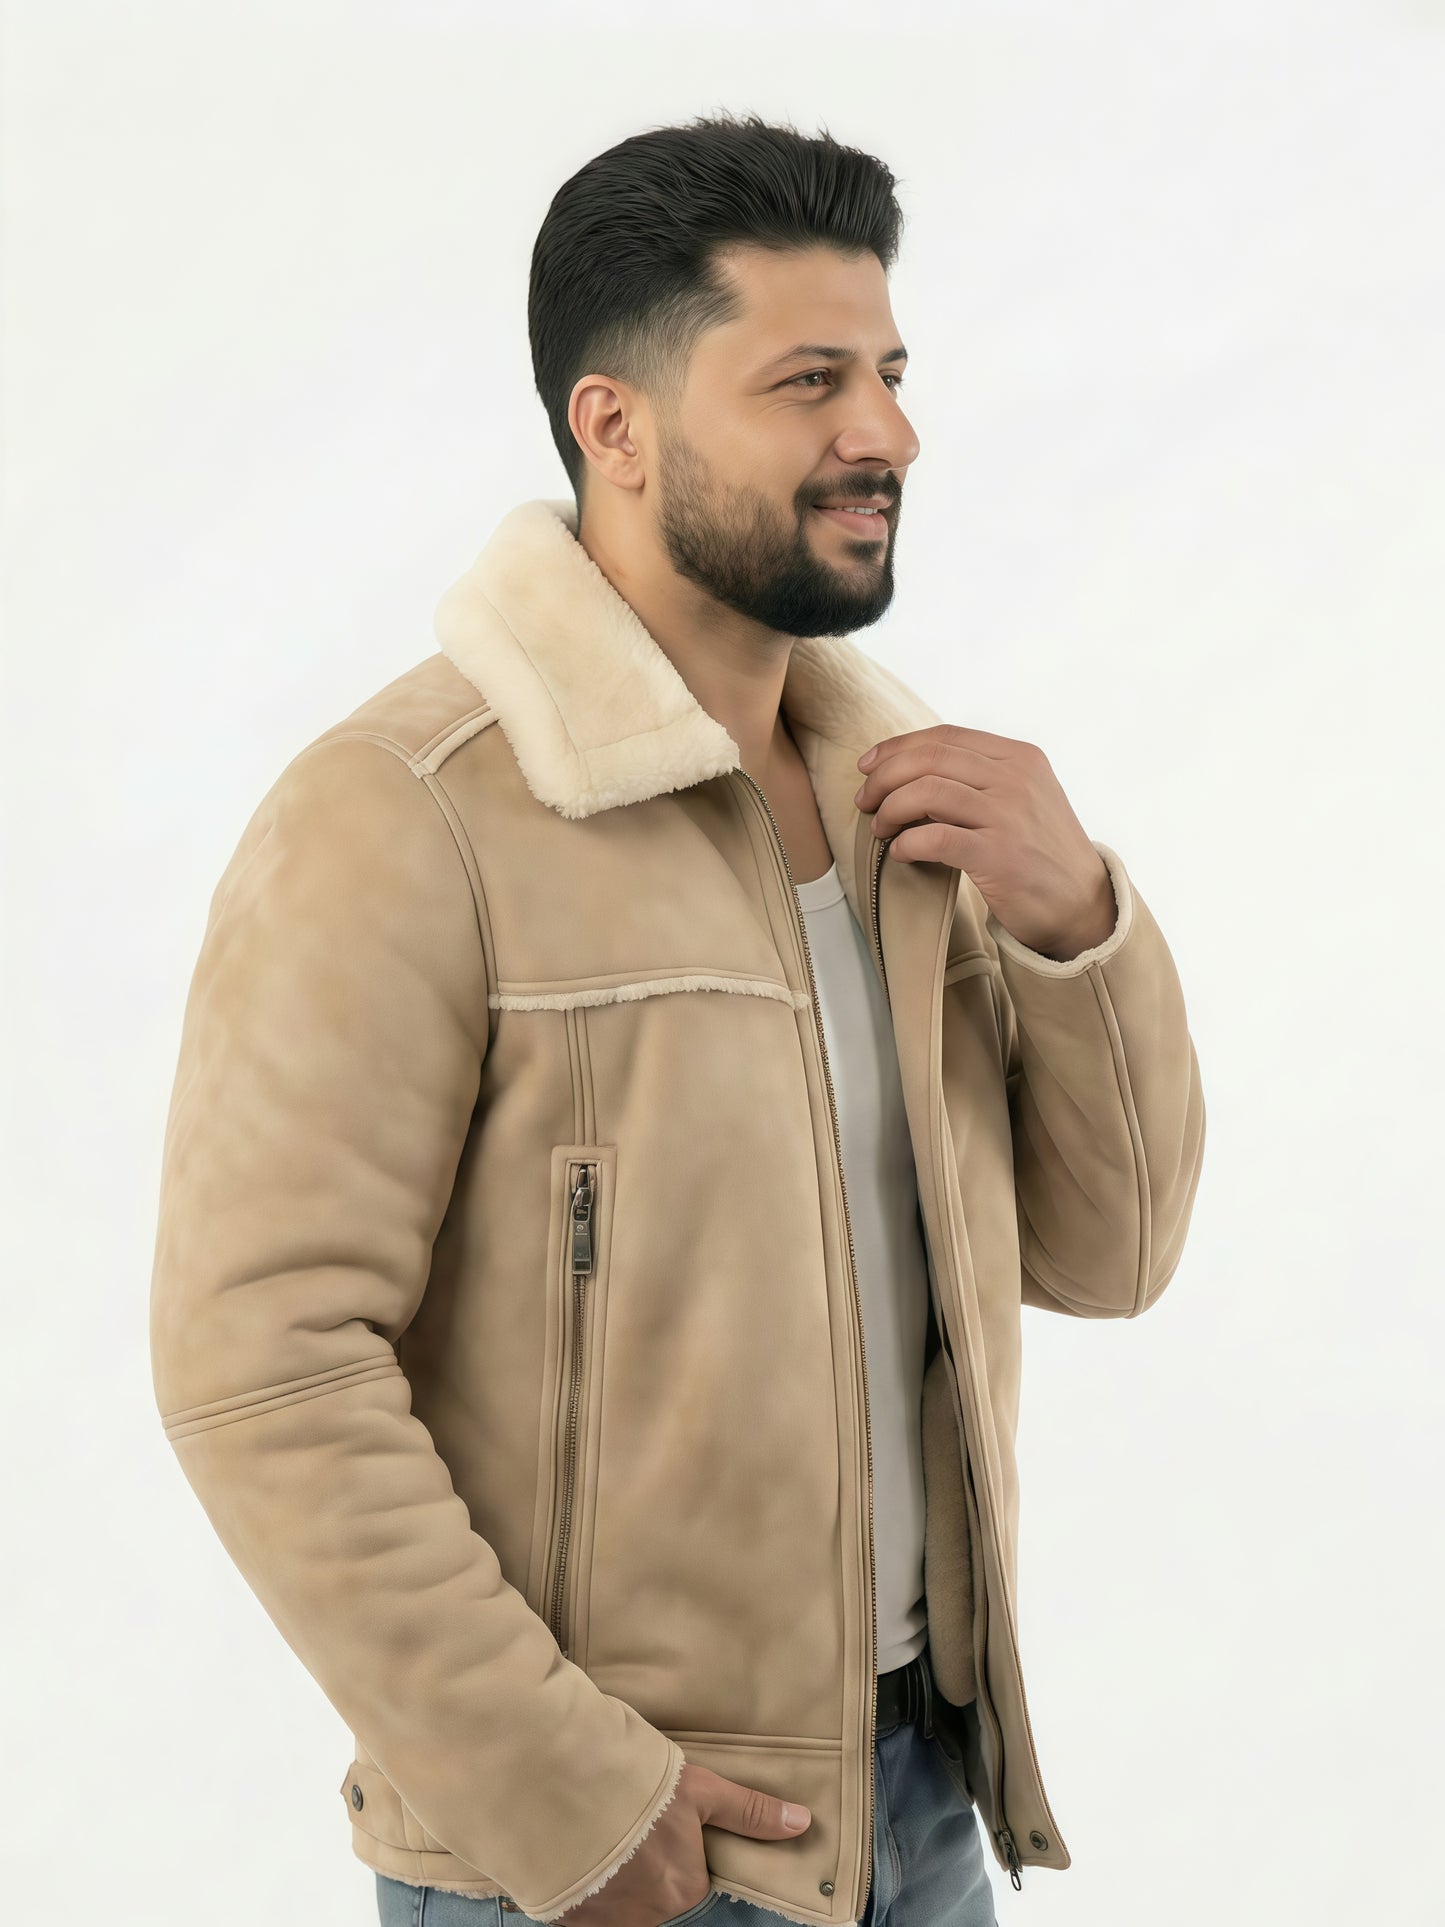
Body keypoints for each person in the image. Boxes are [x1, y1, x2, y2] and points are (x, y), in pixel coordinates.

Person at [149, 110, 1206, 1927]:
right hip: (602, 1853)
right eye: (807, 381)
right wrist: (556, 1785)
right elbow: (263, 1363)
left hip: (916, 1807)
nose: (883, 431)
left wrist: (1077, 921)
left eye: (885, 371)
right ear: (611, 426)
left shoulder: (912, 814)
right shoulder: (405, 814)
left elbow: (1110, 1260)